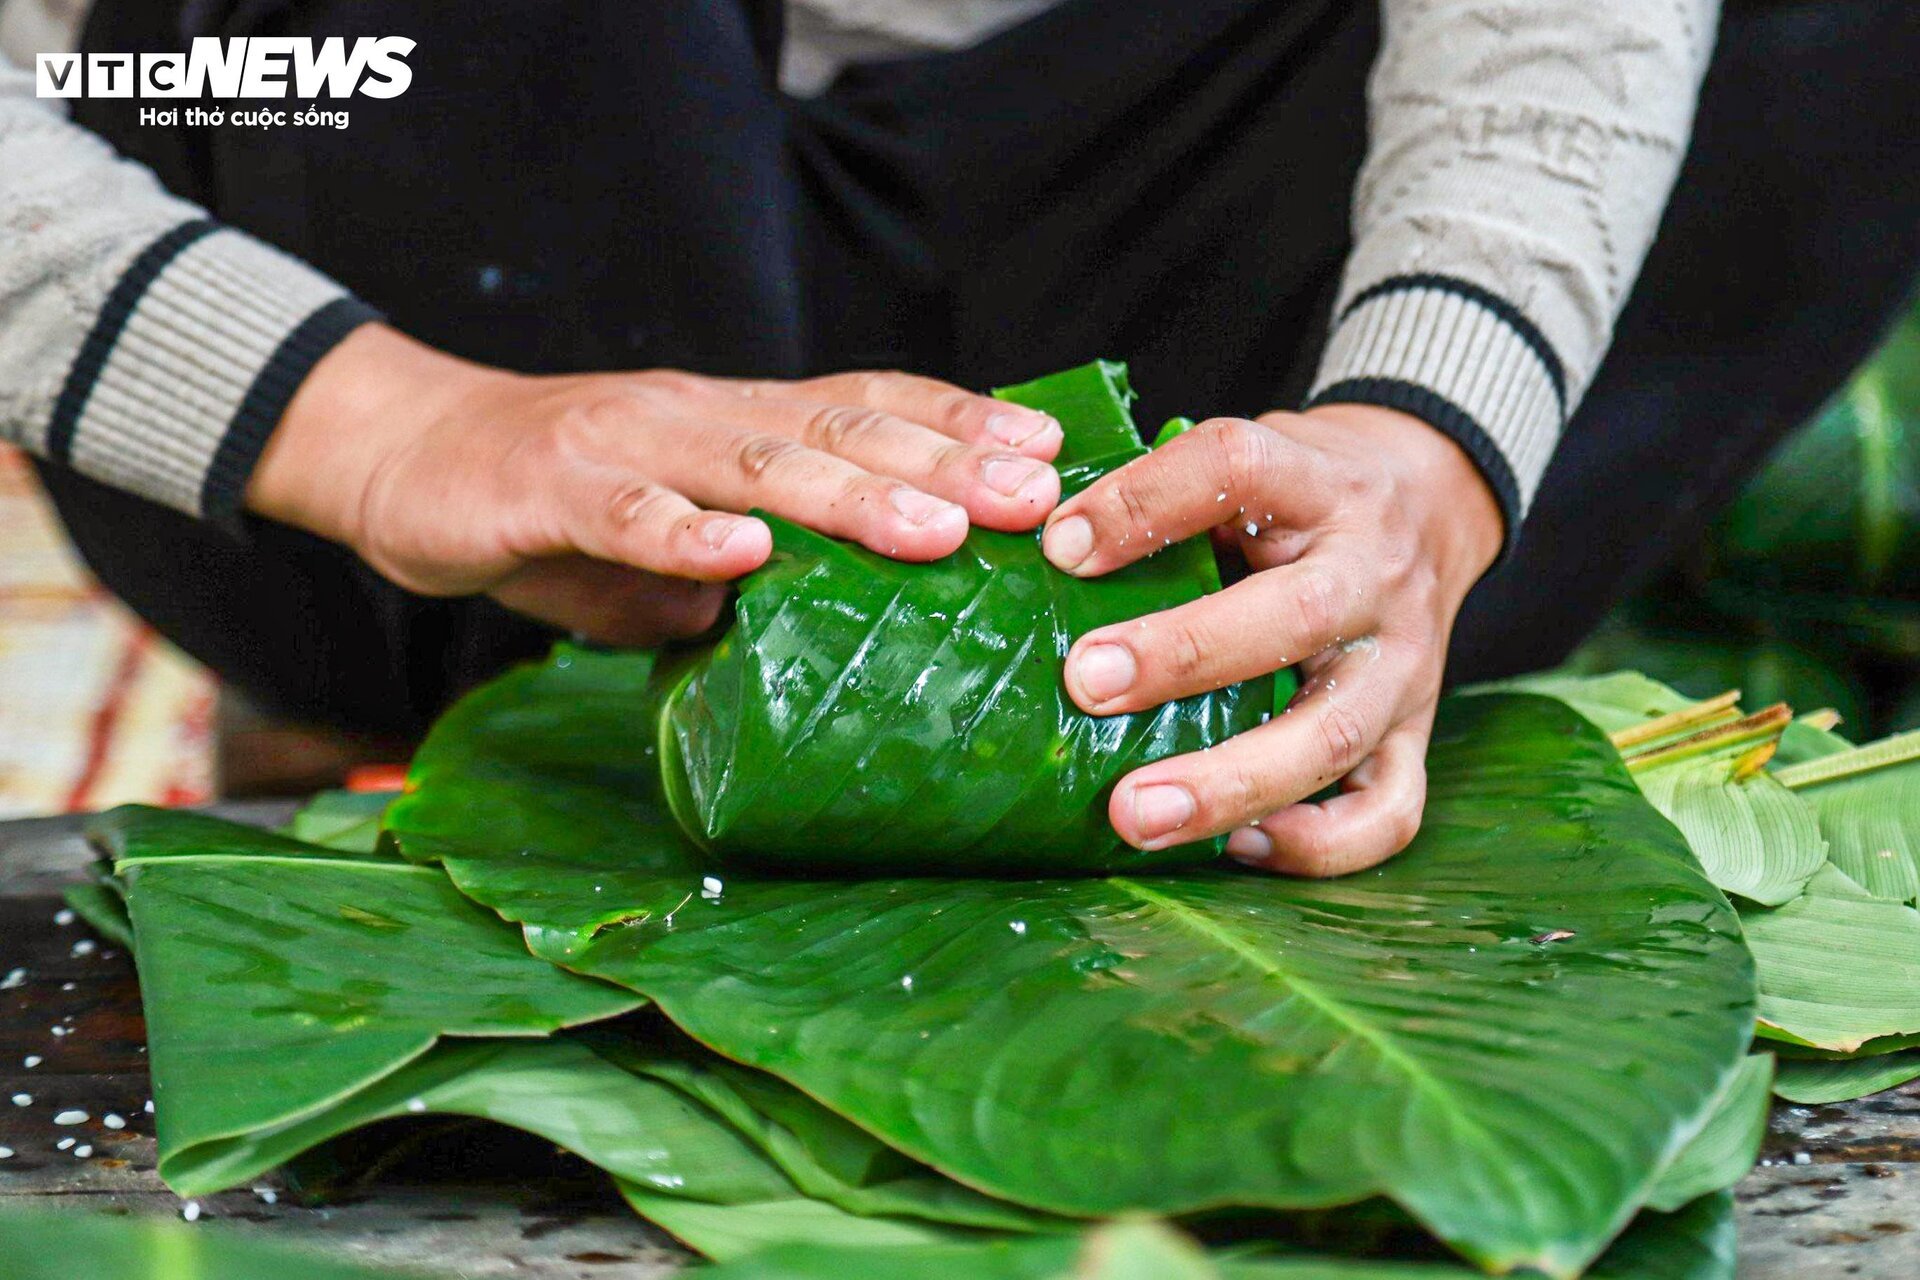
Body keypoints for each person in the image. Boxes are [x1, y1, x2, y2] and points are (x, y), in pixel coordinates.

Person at [1, 1, 1916, 875]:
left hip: (1157, 256)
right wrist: (395, 418)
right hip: (453, 251)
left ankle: (1266, 649)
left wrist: (1432, 431)